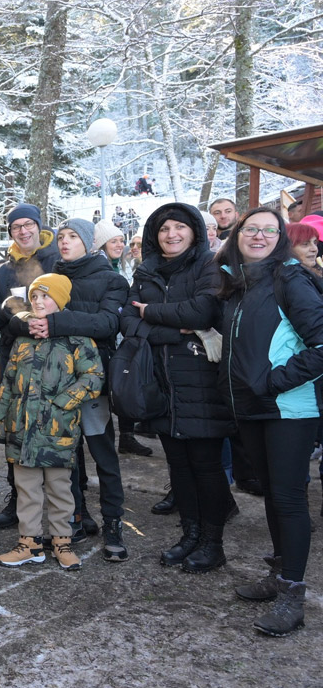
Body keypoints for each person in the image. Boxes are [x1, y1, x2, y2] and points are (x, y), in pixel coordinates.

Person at [217, 207, 323, 636]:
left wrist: (274, 381)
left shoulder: (290, 279)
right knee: (273, 498)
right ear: (238, 235)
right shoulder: (238, 282)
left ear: (280, 239)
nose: (258, 236)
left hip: (289, 408)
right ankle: (279, 576)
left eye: (269, 230)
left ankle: (292, 597)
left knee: (289, 499)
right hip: (253, 406)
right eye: (251, 229)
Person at [3, 218, 131, 561]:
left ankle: (113, 522)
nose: (64, 242)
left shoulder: (111, 279)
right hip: (49, 387)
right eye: (61, 236)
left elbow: (108, 323)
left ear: (89, 243)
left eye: (73, 236)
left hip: (89, 383)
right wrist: (26, 323)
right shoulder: (49, 275)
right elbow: (22, 312)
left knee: (103, 454)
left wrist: (54, 323)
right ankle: (74, 519)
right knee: (66, 460)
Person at [122, 203, 235, 573]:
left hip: (201, 381)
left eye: (179, 227)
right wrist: (177, 331)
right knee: (179, 467)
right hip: (161, 382)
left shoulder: (209, 264)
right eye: (163, 229)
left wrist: (149, 313)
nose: (171, 234)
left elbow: (202, 312)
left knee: (206, 466)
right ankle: (190, 535)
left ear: (194, 231)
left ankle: (212, 543)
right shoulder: (147, 271)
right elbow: (127, 322)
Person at [0, 274, 103, 570]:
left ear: (61, 301)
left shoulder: (77, 338)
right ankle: (29, 543)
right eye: (34, 297)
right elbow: (9, 382)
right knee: (26, 489)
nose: (39, 302)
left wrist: (61, 404)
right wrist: (3, 422)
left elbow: (94, 377)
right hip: (22, 429)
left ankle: (61, 542)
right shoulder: (23, 339)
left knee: (59, 489)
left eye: (46, 296)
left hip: (58, 429)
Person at [0, 203, 60, 529]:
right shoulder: (4, 270)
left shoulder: (57, 260)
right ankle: (16, 500)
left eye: (29, 224)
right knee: (15, 431)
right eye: (16, 227)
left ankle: (72, 509)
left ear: (39, 227)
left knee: (59, 431)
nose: (23, 231)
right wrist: (8, 309)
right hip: (15, 360)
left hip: (55, 359)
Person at [93, 219, 152, 459]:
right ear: (101, 244)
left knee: (124, 383)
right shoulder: (102, 269)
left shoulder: (123, 265)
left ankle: (126, 437)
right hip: (110, 336)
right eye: (113, 241)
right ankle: (117, 438)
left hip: (122, 333)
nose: (120, 245)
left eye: (121, 241)